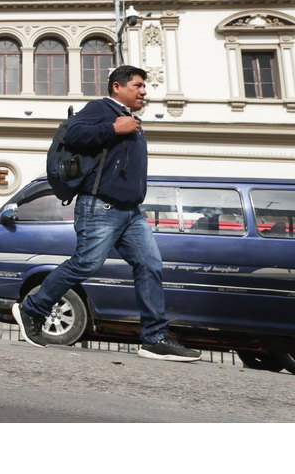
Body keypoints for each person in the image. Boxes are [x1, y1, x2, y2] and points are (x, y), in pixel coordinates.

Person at [12, 65, 202, 362]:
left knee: (150, 264)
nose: (144, 91)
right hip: (101, 206)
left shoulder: (132, 119)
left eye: (144, 86)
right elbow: (72, 133)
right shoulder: (101, 108)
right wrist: (114, 128)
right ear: (117, 87)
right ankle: (32, 308)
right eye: (138, 85)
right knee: (86, 264)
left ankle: (154, 338)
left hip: (131, 213)